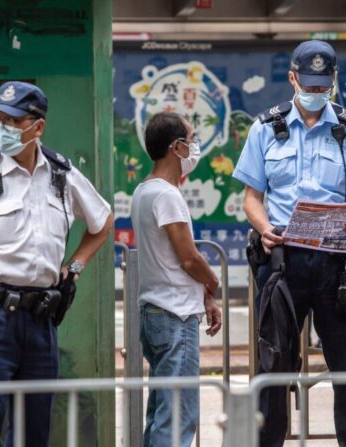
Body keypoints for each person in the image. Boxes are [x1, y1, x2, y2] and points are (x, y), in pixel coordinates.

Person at [233, 40, 346, 447]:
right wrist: (264, 226)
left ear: (334, 81)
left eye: (324, 86)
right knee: (273, 368)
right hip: (282, 261)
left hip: (337, 261)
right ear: (292, 79)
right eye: (310, 85)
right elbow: (251, 196)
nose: (317, 93)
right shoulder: (266, 127)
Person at [0, 81, 113, 446]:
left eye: (11, 121)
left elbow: (102, 222)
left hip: (41, 320)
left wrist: (75, 266)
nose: (0, 128)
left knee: (34, 430)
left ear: (38, 127)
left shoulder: (62, 175)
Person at [131, 112, 222, 446]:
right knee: (177, 419)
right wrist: (214, 284)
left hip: (156, 311)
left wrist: (205, 298)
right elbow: (189, 258)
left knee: (161, 414)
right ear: (177, 148)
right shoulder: (167, 195)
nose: (196, 146)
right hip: (175, 315)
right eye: (192, 139)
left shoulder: (144, 191)